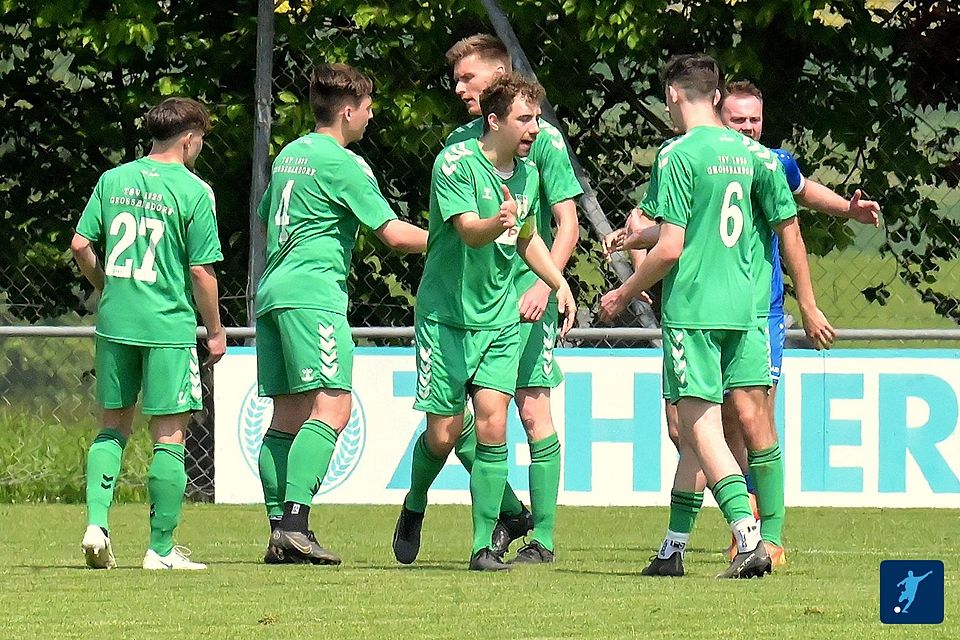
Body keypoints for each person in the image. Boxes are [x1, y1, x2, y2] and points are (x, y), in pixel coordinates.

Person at [605, 80, 880, 569]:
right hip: (729, 309)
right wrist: (634, 235)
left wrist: (843, 220)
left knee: (737, 420)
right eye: (740, 119)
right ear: (718, 112)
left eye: (756, 119)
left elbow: (797, 203)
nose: (750, 128)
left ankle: (761, 536)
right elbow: (676, 224)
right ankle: (681, 545)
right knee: (689, 427)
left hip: (748, 311)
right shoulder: (723, 159)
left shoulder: (760, 160)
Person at [392, 73, 577, 571]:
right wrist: (500, 220)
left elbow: (528, 238)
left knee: (494, 424)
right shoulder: (454, 162)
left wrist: (557, 283)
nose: (535, 128)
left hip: (498, 318)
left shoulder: (528, 172)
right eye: (524, 119)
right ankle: (414, 504)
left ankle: (479, 548)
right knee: (444, 434)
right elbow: (471, 232)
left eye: (537, 118)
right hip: (446, 317)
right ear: (493, 121)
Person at [257, 63, 428, 565]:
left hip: (273, 293)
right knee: (334, 408)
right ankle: (294, 523)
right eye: (369, 108)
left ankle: (278, 531)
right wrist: (459, 235)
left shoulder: (292, 153)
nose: (371, 117)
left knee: (286, 417)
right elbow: (393, 235)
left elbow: (267, 218)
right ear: (349, 110)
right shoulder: (343, 163)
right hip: (313, 296)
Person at [438, 34, 583, 562]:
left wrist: (545, 283)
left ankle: (541, 538)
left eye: (468, 79)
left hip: (525, 297)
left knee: (532, 410)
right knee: (455, 422)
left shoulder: (539, 139)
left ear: (499, 78)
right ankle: (510, 508)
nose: (459, 89)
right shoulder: (460, 144)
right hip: (467, 308)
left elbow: (565, 222)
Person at [73, 97, 225, 570]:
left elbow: (81, 244)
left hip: (116, 322)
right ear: (189, 139)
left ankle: (96, 524)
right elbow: (201, 272)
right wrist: (216, 331)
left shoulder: (112, 180)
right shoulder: (194, 190)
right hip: (166, 326)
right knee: (169, 437)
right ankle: (159, 549)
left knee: (112, 427)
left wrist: (110, 287)